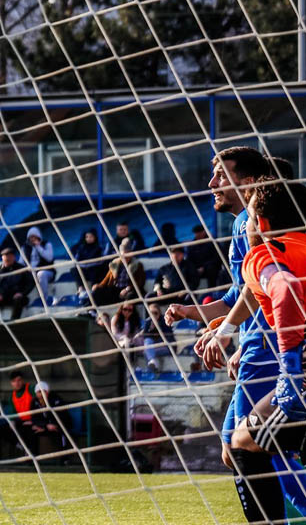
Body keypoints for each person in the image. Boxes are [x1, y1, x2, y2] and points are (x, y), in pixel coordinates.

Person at [165, 147, 306, 518]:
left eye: (220, 176)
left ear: (249, 187)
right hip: (270, 347)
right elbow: (242, 293)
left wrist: (247, 341)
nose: (211, 184)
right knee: (242, 446)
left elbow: (276, 288)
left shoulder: (255, 227)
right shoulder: (246, 227)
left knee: (244, 446)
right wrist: (212, 323)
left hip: (273, 353)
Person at [216, 176, 306, 523]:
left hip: (299, 371)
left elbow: (283, 291)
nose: (246, 226)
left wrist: (290, 368)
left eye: (250, 219)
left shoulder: (262, 255)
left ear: (262, 224)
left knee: (243, 443)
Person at [0, 248, 35, 320]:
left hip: (17, 297)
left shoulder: (22, 268)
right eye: (5, 258)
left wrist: (22, 293)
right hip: (2, 298)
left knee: (19, 301)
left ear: (13, 257)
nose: (7, 259)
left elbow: (31, 283)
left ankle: (14, 322)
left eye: (9, 257)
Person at [91, 239, 145, 306]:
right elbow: (107, 278)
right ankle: (92, 311)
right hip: (115, 288)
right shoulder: (115, 263)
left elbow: (139, 282)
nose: (125, 257)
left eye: (127, 255)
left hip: (129, 289)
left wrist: (127, 289)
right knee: (97, 292)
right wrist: (99, 285)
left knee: (130, 296)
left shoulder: (137, 265)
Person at [2, 371, 37, 454]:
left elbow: (39, 404)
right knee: (3, 429)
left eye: (19, 380)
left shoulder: (31, 389)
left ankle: (30, 453)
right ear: (11, 383)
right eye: (14, 381)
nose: (17, 383)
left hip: (34, 420)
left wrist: (33, 420)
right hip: (22, 421)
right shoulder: (12, 396)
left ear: (22, 381)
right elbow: (12, 412)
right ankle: (21, 446)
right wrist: (12, 421)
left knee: (27, 430)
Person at [185, 224, 225, 293]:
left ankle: (212, 291)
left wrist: (204, 267)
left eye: (199, 232)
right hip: (196, 268)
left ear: (204, 232)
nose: (197, 235)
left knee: (211, 269)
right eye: (196, 233)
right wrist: (195, 268)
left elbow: (218, 257)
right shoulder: (192, 245)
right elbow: (189, 259)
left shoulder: (212, 242)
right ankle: (191, 293)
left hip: (210, 267)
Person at [31, 382, 69, 454]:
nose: (42, 394)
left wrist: (52, 424)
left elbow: (63, 416)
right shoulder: (34, 402)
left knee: (62, 432)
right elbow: (34, 418)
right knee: (32, 431)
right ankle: (33, 459)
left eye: (44, 391)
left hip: (58, 425)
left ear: (47, 392)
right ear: (36, 393)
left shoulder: (56, 400)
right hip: (45, 426)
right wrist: (45, 426)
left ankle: (64, 459)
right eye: (39, 392)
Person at [70, 229, 106, 294]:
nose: (89, 238)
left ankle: (93, 289)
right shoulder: (81, 248)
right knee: (74, 270)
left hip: (95, 270)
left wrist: (87, 264)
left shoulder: (99, 248)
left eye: (91, 237)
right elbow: (77, 261)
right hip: (85, 270)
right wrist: (84, 265)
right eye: (87, 237)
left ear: (95, 237)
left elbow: (101, 261)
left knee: (94, 270)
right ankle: (81, 288)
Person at [23, 226, 55, 296]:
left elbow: (49, 258)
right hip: (30, 272)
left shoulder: (47, 244)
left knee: (41, 274)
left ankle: (43, 298)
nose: (33, 239)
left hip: (46, 271)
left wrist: (38, 247)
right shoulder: (25, 248)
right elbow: (21, 262)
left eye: (35, 237)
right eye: (31, 237)